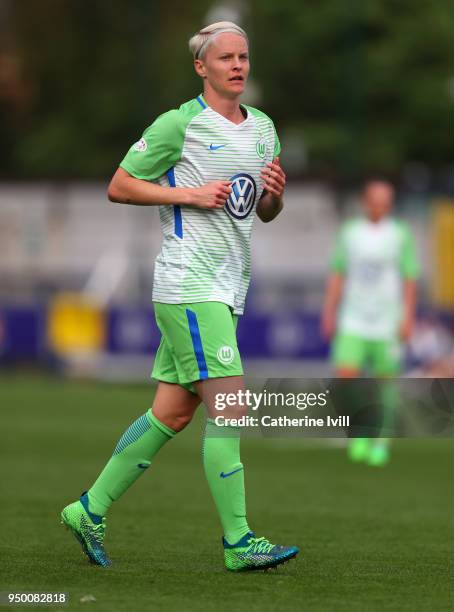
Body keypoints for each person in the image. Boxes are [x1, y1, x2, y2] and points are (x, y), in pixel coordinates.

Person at [61, 21, 299, 572]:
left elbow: (262, 211)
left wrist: (275, 199)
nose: (238, 66)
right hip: (189, 285)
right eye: (226, 59)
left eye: (244, 56)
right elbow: (119, 185)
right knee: (232, 405)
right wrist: (187, 193)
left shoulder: (263, 129)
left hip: (227, 286)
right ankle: (239, 542)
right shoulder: (178, 125)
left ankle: (88, 509)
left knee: (170, 413)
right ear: (202, 67)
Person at [321, 179, 419, 466]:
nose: (380, 205)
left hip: (387, 321)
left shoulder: (400, 234)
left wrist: (408, 316)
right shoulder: (350, 233)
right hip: (353, 319)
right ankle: (359, 432)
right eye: (375, 199)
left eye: (385, 200)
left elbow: (410, 277)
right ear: (365, 201)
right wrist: (329, 311)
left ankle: (381, 439)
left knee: (384, 382)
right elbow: (338, 274)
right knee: (346, 378)